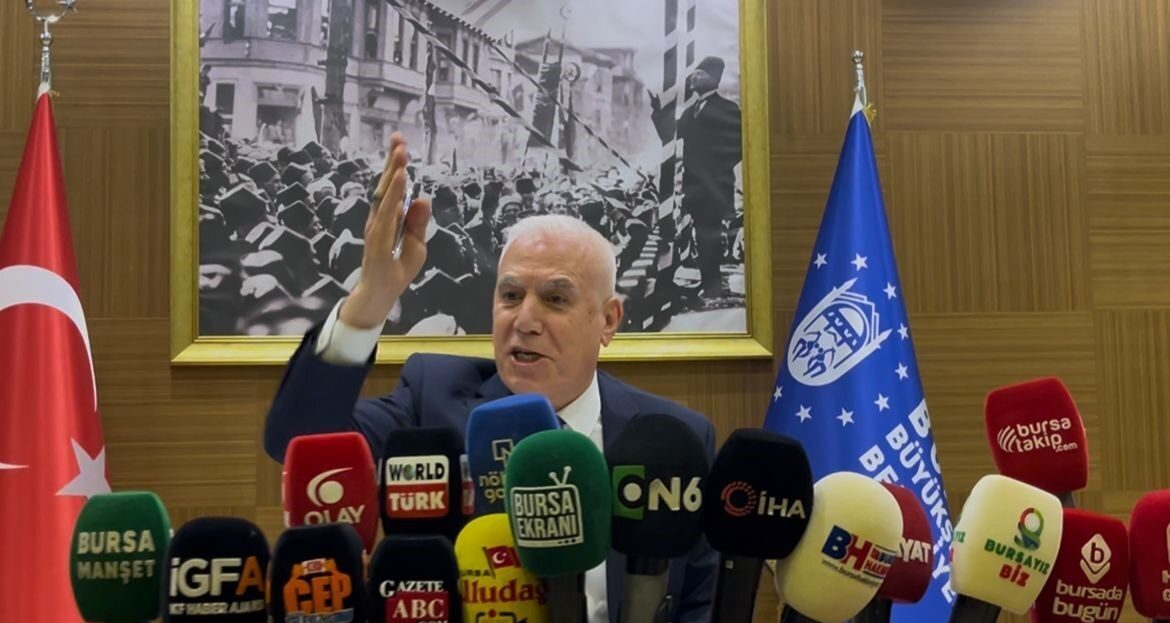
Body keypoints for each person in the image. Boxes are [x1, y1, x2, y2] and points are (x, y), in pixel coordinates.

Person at [264, 134, 717, 623]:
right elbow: (298, 442)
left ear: (608, 320)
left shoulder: (671, 443)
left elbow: (699, 602)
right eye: (510, 296)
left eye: (555, 299)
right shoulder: (432, 399)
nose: (525, 320)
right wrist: (371, 299)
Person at [651, 55, 742, 298]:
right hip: (693, 186)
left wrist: (716, 169)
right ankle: (706, 284)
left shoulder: (728, 109)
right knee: (698, 236)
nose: (693, 78)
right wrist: (658, 113)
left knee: (708, 235)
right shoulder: (691, 112)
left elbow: (739, 146)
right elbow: (670, 135)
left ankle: (712, 286)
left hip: (715, 185)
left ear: (713, 78)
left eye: (699, 74)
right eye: (693, 74)